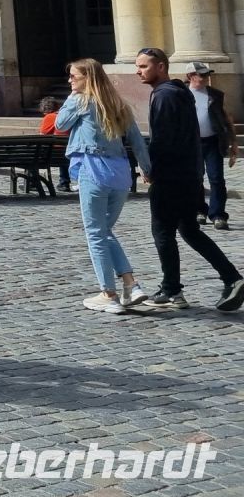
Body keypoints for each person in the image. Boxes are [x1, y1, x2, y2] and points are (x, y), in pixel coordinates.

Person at [136, 48, 244, 311]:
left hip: (171, 175)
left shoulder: (164, 95)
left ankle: (172, 289)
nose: (139, 71)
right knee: (189, 230)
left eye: (144, 66)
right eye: (138, 66)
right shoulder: (179, 92)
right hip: (189, 173)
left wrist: (150, 168)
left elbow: (163, 139)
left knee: (163, 231)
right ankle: (232, 278)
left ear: (161, 66)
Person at [54, 58, 153, 314]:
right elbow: (138, 141)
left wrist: (72, 96)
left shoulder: (80, 101)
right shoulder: (119, 103)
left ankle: (108, 293)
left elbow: (59, 125)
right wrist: (147, 169)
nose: (70, 81)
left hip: (93, 171)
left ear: (88, 78)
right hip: (120, 174)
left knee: (96, 233)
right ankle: (131, 285)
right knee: (105, 230)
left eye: (74, 77)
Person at [186, 62, 235, 230]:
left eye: (207, 75)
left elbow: (226, 119)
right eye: (202, 75)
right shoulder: (182, 94)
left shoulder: (215, 95)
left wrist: (233, 142)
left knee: (216, 178)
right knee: (195, 178)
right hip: (192, 143)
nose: (206, 78)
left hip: (213, 141)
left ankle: (218, 214)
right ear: (191, 77)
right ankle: (200, 210)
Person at [38, 96, 71, 191]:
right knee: (62, 151)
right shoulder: (65, 116)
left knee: (33, 155)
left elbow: (42, 136)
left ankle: (32, 182)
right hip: (67, 153)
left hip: (51, 154)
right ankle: (64, 183)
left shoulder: (49, 117)